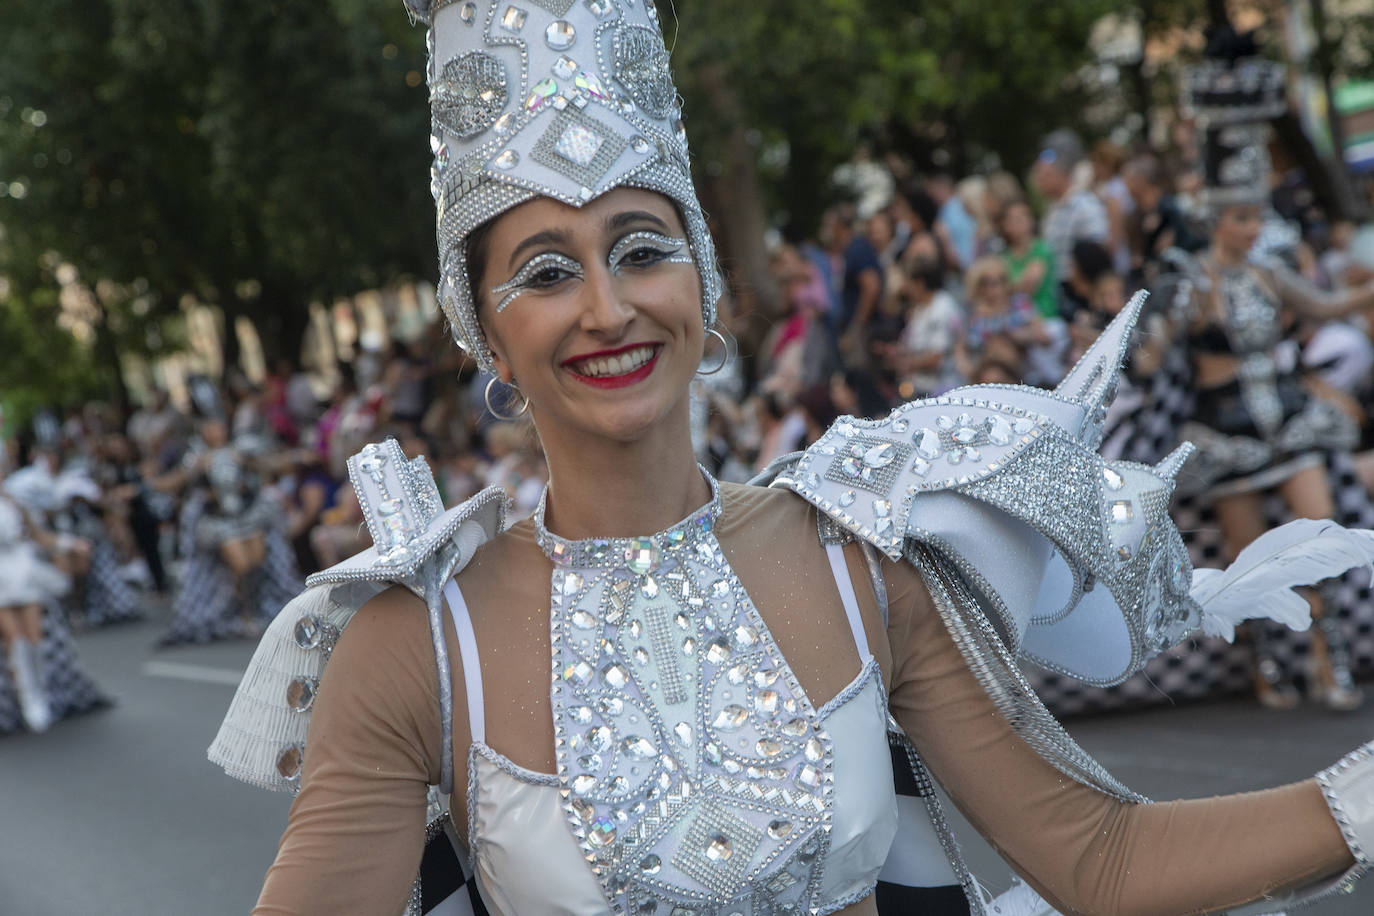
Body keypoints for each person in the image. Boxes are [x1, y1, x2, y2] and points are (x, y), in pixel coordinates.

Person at [212, 5, 1374, 916]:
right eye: (547, 272)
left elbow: (1101, 857)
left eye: (642, 248)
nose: (610, 307)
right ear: (487, 335)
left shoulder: (865, 560)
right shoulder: (418, 642)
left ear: (705, 291)